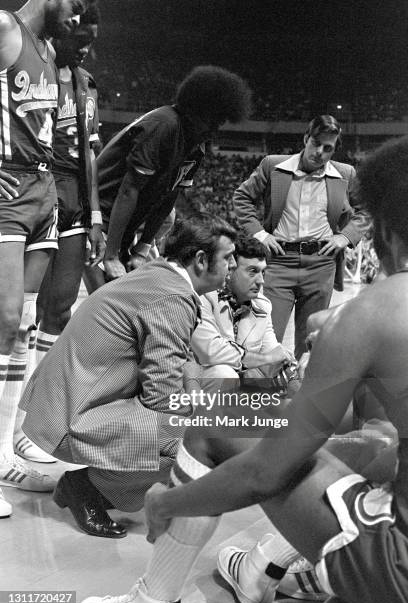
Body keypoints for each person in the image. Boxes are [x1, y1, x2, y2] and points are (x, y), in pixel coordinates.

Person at [79, 136, 407, 603]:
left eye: (255, 269)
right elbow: (181, 380)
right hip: (164, 395)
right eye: (241, 266)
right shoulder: (183, 298)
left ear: (387, 233)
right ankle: (271, 565)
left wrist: (166, 504)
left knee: (240, 425)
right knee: (363, 439)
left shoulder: (363, 310)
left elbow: (264, 469)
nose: (252, 276)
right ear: (207, 264)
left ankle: (154, 601)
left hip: (396, 566)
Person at [19, 213, 236, 539]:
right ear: (202, 260)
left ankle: (103, 484)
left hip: (66, 402)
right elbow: (162, 395)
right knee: (195, 439)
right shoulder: (174, 296)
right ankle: (86, 487)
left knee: (204, 407)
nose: (232, 265)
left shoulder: (160, 276)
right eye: (228, 257)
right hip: (73, 416)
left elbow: (176, 366)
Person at [0, 0, 91, 518]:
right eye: (75, 5)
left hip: (41, 189)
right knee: (5, 320)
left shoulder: (46, 52)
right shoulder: (6, 27)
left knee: (25, 326)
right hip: (7, 187)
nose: (78, 17)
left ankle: (8, 448)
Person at [12, 3, 105, 466]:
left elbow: (92, 156)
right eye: (80, 37)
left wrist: (95, 214)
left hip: (63, 193)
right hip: (31, 182)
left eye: (90, 41)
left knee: (54, 310)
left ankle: (31, 416)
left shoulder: (85, 84)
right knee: (16, 314)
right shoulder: (30, 50)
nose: (84, 46)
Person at [82, 65, 251, 290]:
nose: (215, 129)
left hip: (123, 229)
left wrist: (142, 248)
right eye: (214, 120)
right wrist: (111, 255)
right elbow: (128, 191)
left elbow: (169, 196)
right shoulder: (164, 125)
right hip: (97, 219)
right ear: (197, 109)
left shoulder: (196, 143)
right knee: (107, 304)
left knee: (126, 302)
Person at [233, 115, 366, 360]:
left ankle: (299, 392)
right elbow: (242, 198)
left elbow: (366, 210)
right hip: (278, 260)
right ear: (305, 139)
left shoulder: (345, 173)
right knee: (264, 335)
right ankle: (262, 391)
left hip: (321, 262)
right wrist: (260, 234)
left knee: (309, 341)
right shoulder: (273, 165)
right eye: (316, 143)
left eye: (328, 148)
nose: (320, 152)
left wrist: (345, 237)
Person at [191, 235, 296, 394]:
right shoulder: (204, 296)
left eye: (263, 272)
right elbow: (211, 353)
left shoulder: (263, 305)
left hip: (239, 380)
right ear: (230, 269)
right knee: (225, 375)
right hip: (194, 381)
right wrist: (265, 359)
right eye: (252, 271)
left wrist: (289, 367)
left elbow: (273, 351)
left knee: (288, 373)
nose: (261, 281)